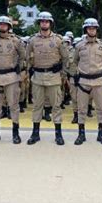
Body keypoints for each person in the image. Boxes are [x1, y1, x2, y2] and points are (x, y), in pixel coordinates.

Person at [26, 12, 68, 145]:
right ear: (39, 23)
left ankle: (58, 134)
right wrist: (29, 70)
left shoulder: (57, 40)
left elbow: (66, 57)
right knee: (37, 106)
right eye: (42, 21)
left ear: (50, 23)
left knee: (56, 105)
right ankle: (35, 133)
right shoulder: (33, 40)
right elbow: (27, 58)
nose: (44, 23)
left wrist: (61, 70)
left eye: (47, 21)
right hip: (38, 76)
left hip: (53, 76)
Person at [0, 16, 25, 144]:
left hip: (11, 77)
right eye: (0, 24)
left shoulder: (16, 41)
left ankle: (15, 133)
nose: (2, 26)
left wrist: (20, 68)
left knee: (13, 106)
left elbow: (23, 56)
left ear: (9, 26)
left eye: (5, 24)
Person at [73, 18, 102, 145]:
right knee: (81, 109)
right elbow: (75, 61)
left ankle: (101, 134)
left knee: (101, 109)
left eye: (94, 28)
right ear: (85, 30)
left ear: (97, 30)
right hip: (83, 81)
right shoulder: (79, 46)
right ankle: (81, 134)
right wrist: (77, 74)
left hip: (98, 81)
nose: (92, 30)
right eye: (89, 28)